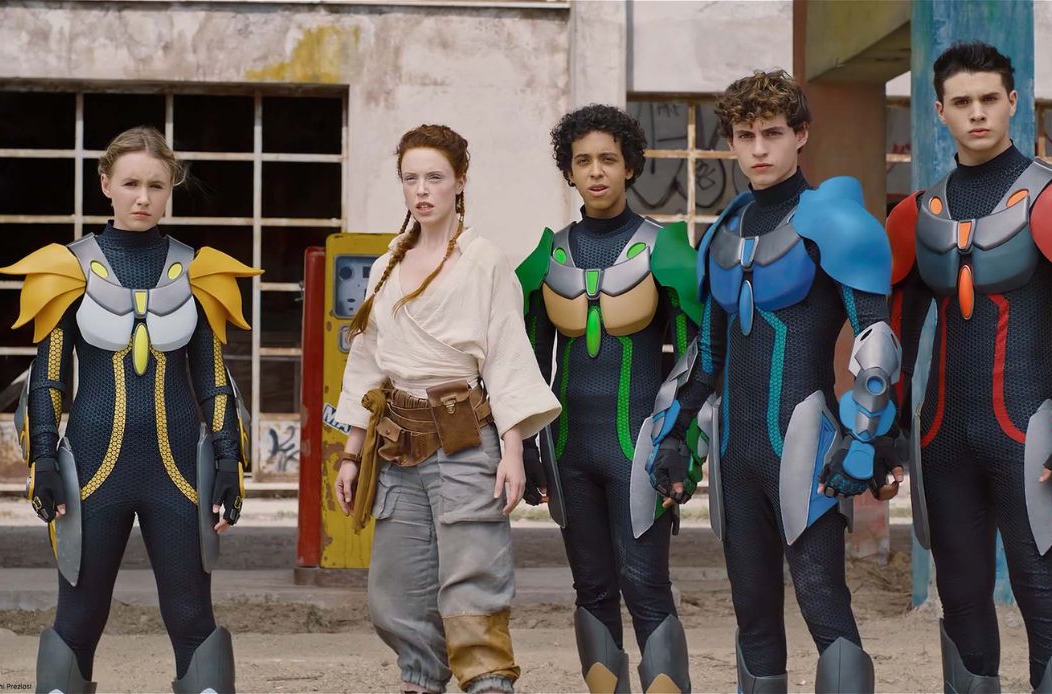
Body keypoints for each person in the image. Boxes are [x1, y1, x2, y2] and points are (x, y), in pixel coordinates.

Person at [644, 69, 902, 693]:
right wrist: (675, 433)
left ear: (800, 135)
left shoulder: (836, 221)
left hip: (805, 446)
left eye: (773, 133)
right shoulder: (723, 232)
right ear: (732, 141)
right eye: (745, 135)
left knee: (824, 605)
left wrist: (866, 439)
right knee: (753, 617)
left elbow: (876, 345)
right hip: (737, 457)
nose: (759, 149)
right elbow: (708, 354)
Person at [886, 41, 1052, 693]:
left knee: (1045, 601)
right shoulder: (915, 217)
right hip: (941, 442)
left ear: (1012, 102)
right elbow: (893, 339)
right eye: (961, 101)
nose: (977, 113)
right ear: (939, 110)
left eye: (989, 98)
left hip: (1028, 437)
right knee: (960, 604)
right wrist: (882, 431)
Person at [0, 125, 258, 693]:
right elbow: (48, 380)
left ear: (171, 189)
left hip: (179, 473)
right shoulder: (66, 269)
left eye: (156, 186)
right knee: (77, 619)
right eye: (131, 184)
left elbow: (215, 381)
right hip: (91, 470)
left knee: (192, 618)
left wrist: (228, 463)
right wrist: (42, 460)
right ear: (105, 185)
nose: (143, 198)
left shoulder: (199, 271)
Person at [332, 124, 561, 694]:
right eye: (410, 178)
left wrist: (513, 451)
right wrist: (351, 453)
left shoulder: (485, 261)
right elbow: (367, 360)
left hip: (465, 438)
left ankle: (488, 683)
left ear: (460, 181)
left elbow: (506, 356)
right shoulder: (387, 263)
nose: (421, 190)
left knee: (473, 577)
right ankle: (420, 678)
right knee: (395, 591)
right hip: (397, 442)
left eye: (434, 177)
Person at [515, 104, 701, 692]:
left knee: (646, 586)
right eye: (583, 161)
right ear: (569, 171)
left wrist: (681, 442)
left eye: (608, 160)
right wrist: (525, 446)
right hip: (569, 449)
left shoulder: (666, 250)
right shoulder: (547, 257)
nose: (596, 172)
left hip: (639, 446)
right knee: (592, 589)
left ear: (630, 167)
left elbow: (696, 360)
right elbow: (526, 365)